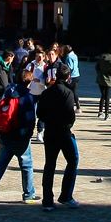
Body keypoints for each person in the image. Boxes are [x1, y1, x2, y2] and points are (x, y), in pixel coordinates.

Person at [0, 66, 39, 209]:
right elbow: (30, 120)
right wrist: (28, 135)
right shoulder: (27, 97)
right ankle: (29, 194)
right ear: (28, 83)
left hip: (5, 134)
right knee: (27, 165)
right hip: (20, 137)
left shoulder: (8, 92)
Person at [38, 64, 79, 210]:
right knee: (73, 160)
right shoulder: (68, 93)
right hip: (63, 132)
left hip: (50, 132)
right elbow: (70, 115)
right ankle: (66, 195)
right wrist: (68, 125)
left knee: (50, 165)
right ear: (68, 77)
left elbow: (40, 114)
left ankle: (47, 200)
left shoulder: (47, 92)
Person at [95, 46, 111, 120]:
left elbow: (96, 67)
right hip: (108, 79)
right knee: (107, 97)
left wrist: (100, 72)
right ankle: (107, 113)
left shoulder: (101, 57)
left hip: (100, 78)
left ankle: (100, 112)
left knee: (102, 95)